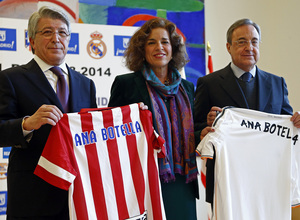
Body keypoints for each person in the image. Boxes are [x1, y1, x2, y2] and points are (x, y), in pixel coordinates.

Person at [0, 6, 97, 219]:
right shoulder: (10, 78)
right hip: (32, 194)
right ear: (31, 41)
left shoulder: (86, 84)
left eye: (62, 32)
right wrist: (27, 124)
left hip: (76, 193)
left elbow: (93, 133)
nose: (56, 38)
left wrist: (134, 114)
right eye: (47, 32)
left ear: (69, 39)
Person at [194, 18, 300, 207]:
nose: (249, 47)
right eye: (241, 41)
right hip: (227, 180)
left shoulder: (277, 83)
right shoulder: (208, 83)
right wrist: (207, 127)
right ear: (228, 47)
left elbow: (289, 128)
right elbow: (195, 129)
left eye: (254, 41)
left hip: (270, 179)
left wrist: (298, 121)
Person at [108, 17, 199, 220]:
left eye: (165, 41)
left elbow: (194, 131)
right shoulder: (126, 84)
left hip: (182, 181)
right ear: (142, 49)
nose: (159, 47)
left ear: (173, 47)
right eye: (151, 42)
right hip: (143, 180)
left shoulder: (188, 88)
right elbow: (112, 134)